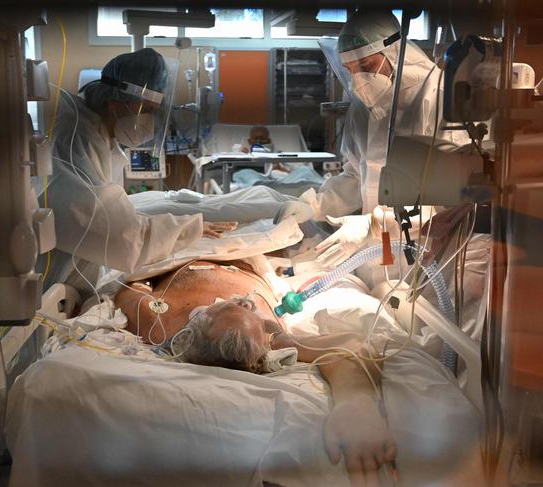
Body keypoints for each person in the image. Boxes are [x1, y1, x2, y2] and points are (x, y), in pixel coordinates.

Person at [114, 260, 397, 486]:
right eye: (241, 306)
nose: (243, 301)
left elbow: (129, 288)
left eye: (245, 306)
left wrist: (354, 400)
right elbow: (349, 351)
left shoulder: (157, 320)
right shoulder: (267, 332)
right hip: (213, 257)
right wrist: (357, 399)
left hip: (216, 254)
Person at [275, 9, 468, 267]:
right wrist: (315, 205)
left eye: (365, 66)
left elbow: (454, 200)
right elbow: (355, 176)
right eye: (350, 69)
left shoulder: (439, 98)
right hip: (374, 252)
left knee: (414, 306)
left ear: (395, 52)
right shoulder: (362, 107)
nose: (359, 80)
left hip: (429, 254)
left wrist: (377, 223)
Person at [43, 48, 235, 295]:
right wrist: (185, 229)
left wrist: (184, 229)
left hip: (74, 277)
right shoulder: (75, 140)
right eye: (147, 111)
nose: (151, 121)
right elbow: (115, 232)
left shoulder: (101, 135)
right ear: (116, 105)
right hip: (52, 284)